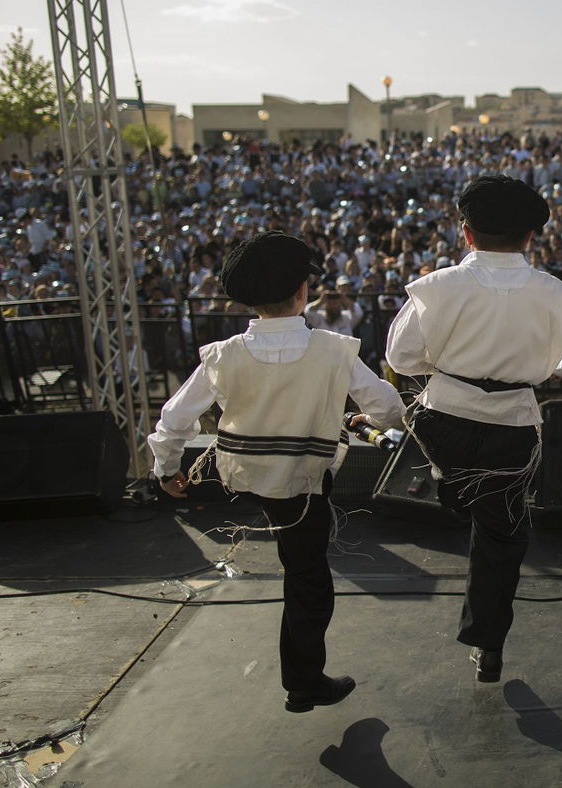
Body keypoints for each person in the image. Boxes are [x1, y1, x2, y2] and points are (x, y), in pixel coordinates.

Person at [147, 231, 405, 713]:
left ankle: (303, 677)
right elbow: (388, 408)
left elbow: (175, 418)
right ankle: (304, 682)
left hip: (248, 474)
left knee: (300, 566)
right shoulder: (332, 350)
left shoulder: (222, 354)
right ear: (304, 291)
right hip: (304, 480)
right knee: (309, 579)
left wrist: (166, 471)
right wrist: (364, 420)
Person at [385, 174, 562, 683]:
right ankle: (488, 641)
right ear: (531, 236)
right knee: (501, 537)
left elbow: (400, 356)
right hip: (512, 426)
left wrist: (446, 365)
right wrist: (549, 366)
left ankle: (448, 488)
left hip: (443, 422)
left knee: (468, 502)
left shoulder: (435, 288)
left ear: (466, 233)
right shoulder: (558, 295)